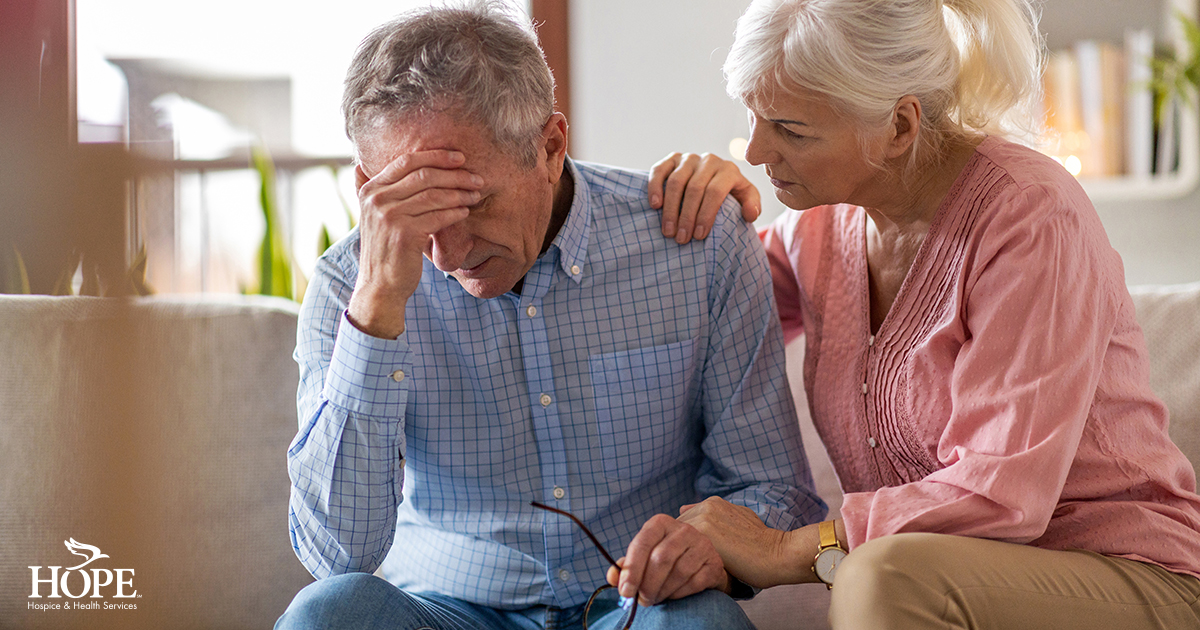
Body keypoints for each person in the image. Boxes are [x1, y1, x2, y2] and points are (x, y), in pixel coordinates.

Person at [639, 0, 1200, 628]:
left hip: (1128, 574)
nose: (758, 151)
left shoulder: (1031, 215)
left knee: (879, 577)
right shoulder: (815, 231)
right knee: (882, 574)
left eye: (791, 129)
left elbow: (1003, 495)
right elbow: (698, 310)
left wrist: (783, 548)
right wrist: (707, 209)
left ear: (900, 126)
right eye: (755, 118)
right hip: (951, 582)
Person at [277, 2, 825, 629]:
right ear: (369, 188)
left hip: (638, 608)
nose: (449, 255)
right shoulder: (347, 286)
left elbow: (776, 492)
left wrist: (714, 557)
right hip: (443, 609)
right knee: (326, 615)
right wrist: (376, 308)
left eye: (473, 202)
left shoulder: (696, 244)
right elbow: (335, 554)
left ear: (550, 146)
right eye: (419, 212)